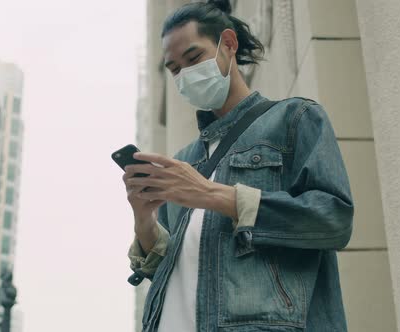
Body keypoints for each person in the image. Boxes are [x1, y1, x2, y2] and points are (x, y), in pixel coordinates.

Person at [122, 1, 354, 331]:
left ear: (228, 44)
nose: (185, 75)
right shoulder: (185, 159)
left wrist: (214, 195)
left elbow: (334, 220)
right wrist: (144, 219)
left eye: (193, 58)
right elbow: (172, 266)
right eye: (175, 69)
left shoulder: (294, 120)